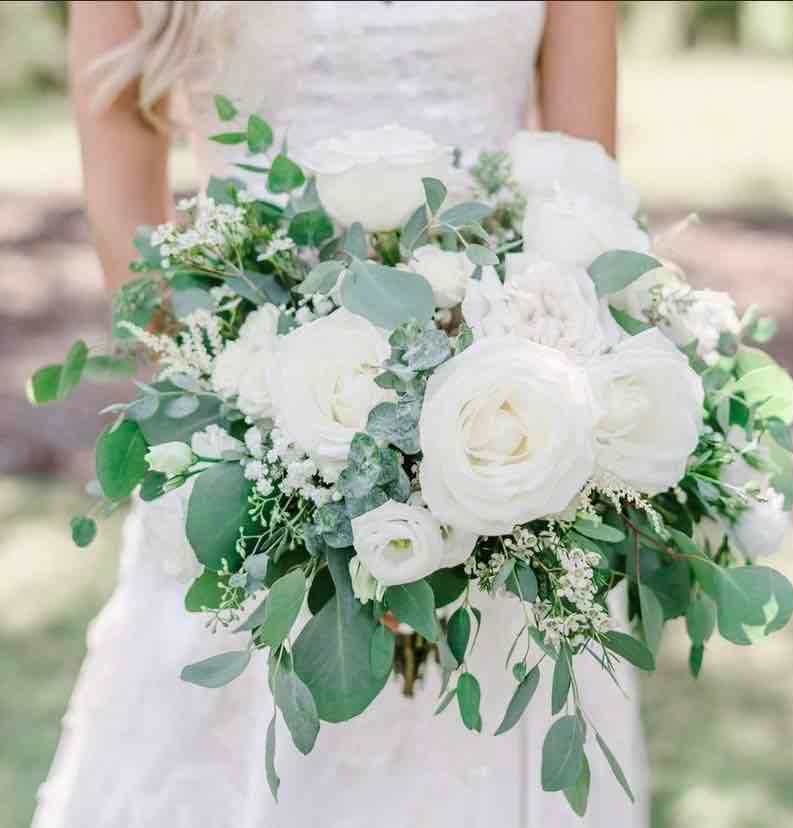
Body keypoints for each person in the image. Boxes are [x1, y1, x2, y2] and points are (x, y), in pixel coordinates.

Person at [33, 3, 648, 826]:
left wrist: (473, 454)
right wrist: (285, 442)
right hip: (252, 463)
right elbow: (135, 256)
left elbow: (586, 198)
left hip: (506, 444)